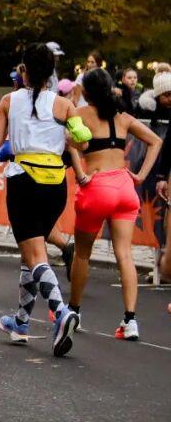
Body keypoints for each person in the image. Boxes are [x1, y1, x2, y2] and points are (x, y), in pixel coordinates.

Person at [0, 43, 88, 357]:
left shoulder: (9, 100)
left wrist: (15, 137)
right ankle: (21, 321)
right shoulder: (65, 105)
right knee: (30, 254)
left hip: (24, 180)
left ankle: (61, 312)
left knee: (34, 255)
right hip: (56, 183)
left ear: (24, 71)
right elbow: (82, 143)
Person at [67, 68, 161, 341]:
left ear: (86, 92)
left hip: (96, 186)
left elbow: (71, 143)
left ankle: (74, 312)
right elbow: (155, 141)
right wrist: (141, 176)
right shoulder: (124, 117)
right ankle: (130, 320)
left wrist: (80, 174)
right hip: (124, 188)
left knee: (82, 254)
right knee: (125, 254)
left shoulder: (80, 114)